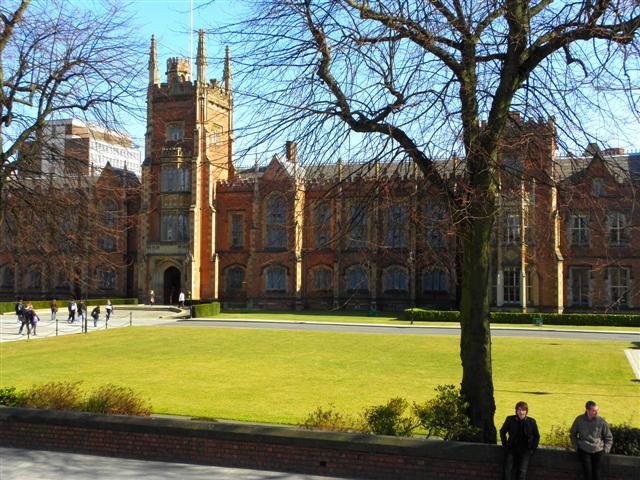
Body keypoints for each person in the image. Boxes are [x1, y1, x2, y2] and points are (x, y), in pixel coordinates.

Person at [570, 401, 613, 480]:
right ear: (587, 410)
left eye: (597, 410)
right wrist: (576, 447)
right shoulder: (579, 420)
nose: (596, 412)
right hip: (584, 449)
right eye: (594, 410)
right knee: (587, 473)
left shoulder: (601, 421)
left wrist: (606, 449)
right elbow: (572, 434)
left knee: (597, 473)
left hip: (598, 450)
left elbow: (609, 437)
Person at [500, 401, 540, 480]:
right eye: (519, 410)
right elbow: (502, 432)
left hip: (525, 450)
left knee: (522, 471)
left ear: (526, 411)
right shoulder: (510, 419)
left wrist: (533, 448)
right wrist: (505, 445)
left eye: (523, 410)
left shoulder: (531, 422)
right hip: (511, 448)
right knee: (507, 470)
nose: (521, 412)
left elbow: (537, 436)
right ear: (516, 410)